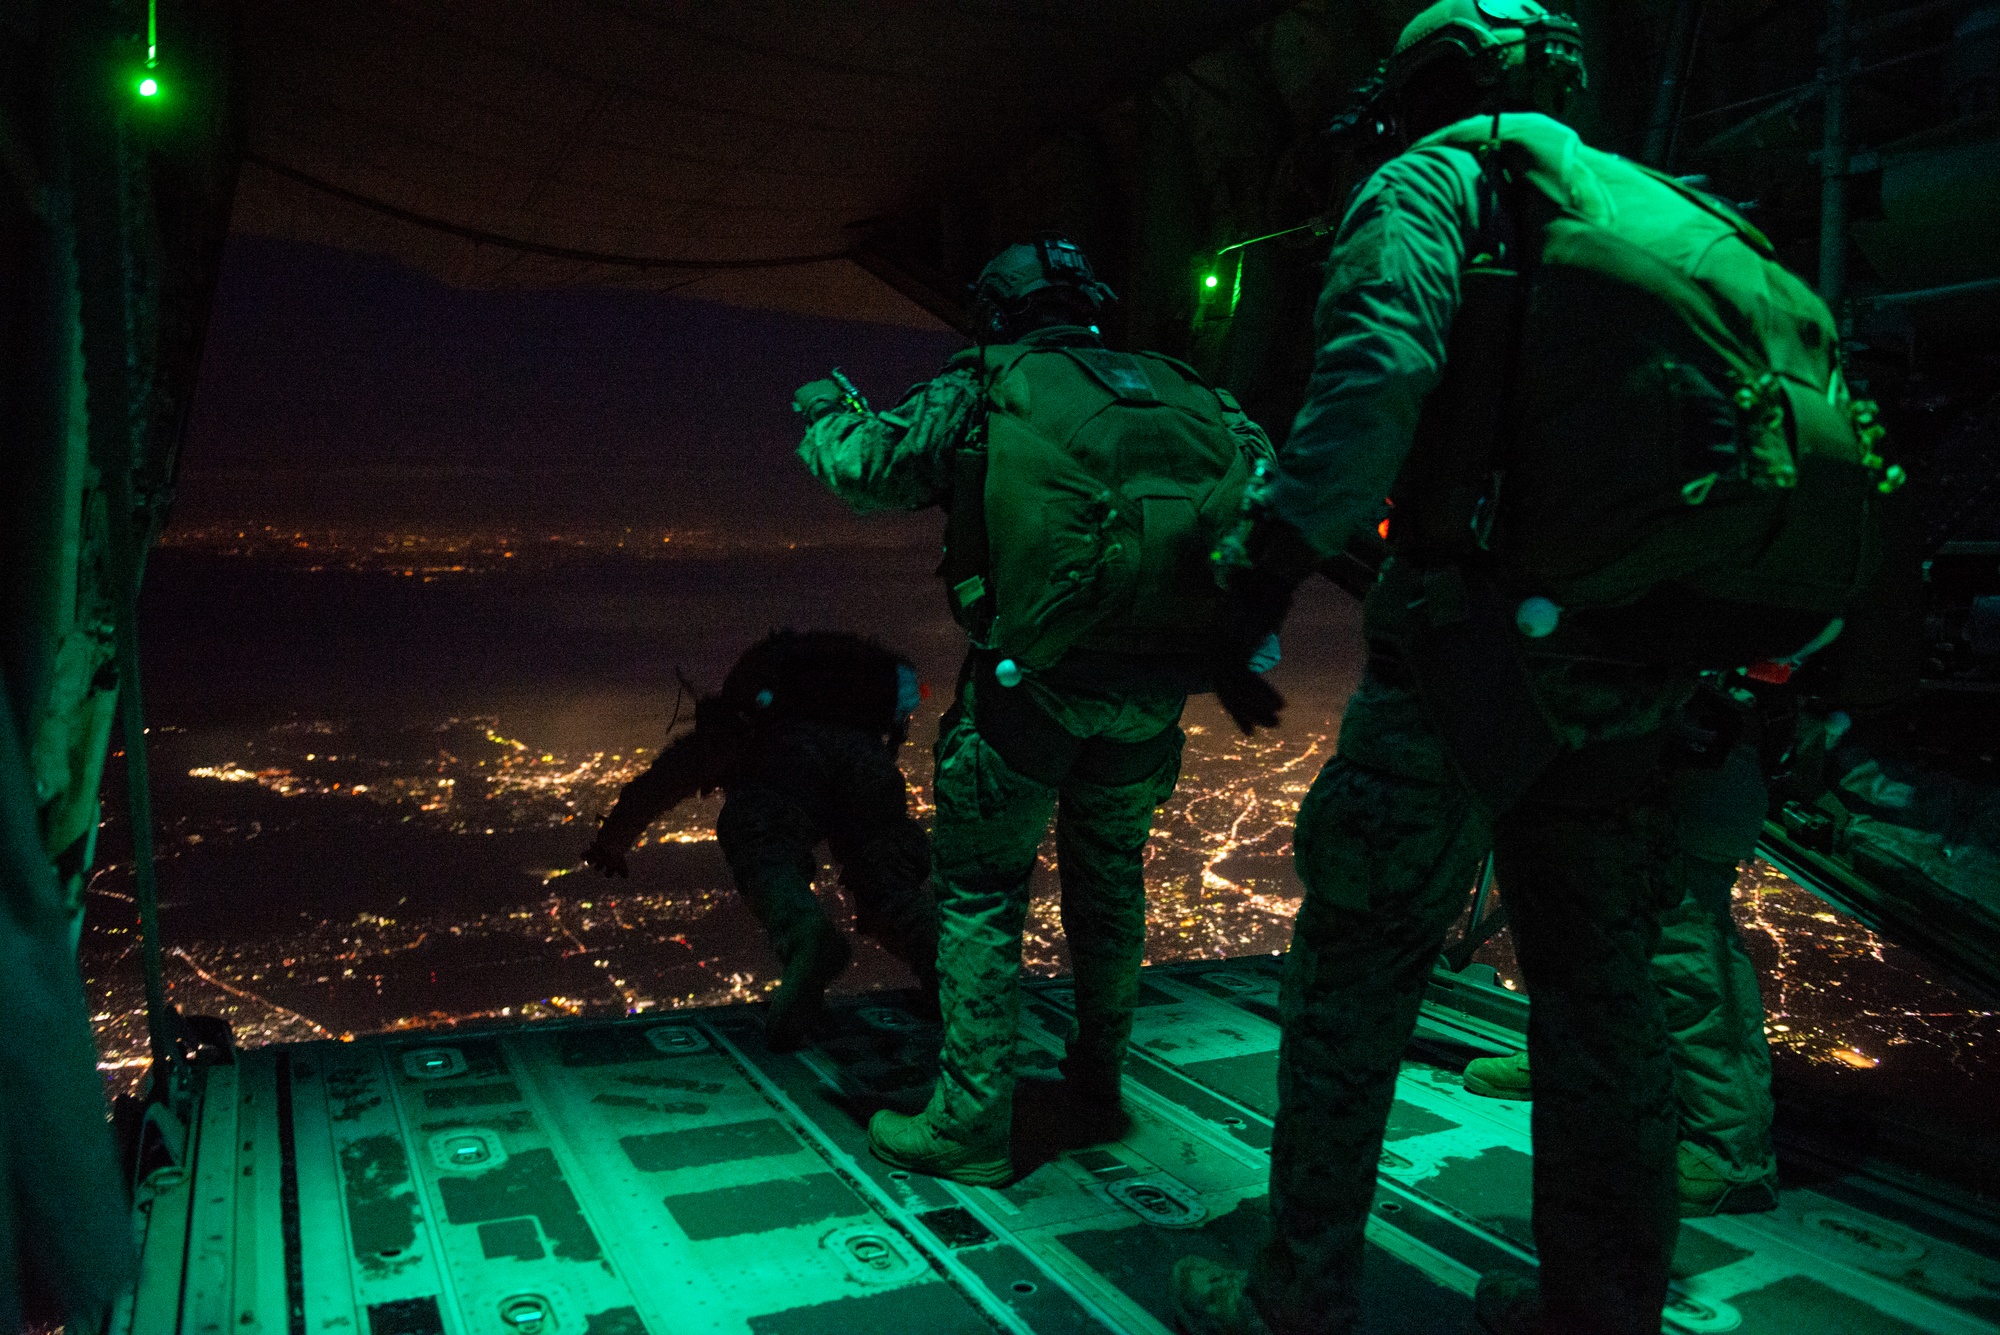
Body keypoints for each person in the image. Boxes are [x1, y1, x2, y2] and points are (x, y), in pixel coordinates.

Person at [1171, 2, 1890, 1332]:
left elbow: (1373, 384)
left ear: (1427, 86)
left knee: (1354, 959)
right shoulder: (1662, 205)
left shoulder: (1438, 178)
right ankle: (1596, 1305)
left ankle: (1297, 1281)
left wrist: (1259, 573)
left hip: (1468, 652)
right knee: (1603, 988)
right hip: (1636, 665)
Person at [795, 235, 1274, 1184]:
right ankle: (1097, 1082)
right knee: (1111, 886)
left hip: (1030, 692)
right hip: (1150, 695)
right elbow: (1268, 495)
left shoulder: (988, 379)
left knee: (979, 898)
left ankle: (973, 1124)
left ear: (1000, 310)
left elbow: (867, 470)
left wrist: (821, 411)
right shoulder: (1186, 390)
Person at [1461, 724, 1782, 1218]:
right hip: (1613, 748)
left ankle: (1730, 1153)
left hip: (1690, 754)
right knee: (1584, 925)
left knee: (1684, 944)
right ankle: (1572, 1060)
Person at [582, 630, 938, 1051]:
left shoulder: (750, 723)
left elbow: (675, 773)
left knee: (764, 844)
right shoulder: (863, 731)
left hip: (786, 763)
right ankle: (945, 964)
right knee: (887, 881)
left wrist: (612, 841)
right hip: (871, 768)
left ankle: (805, 932)